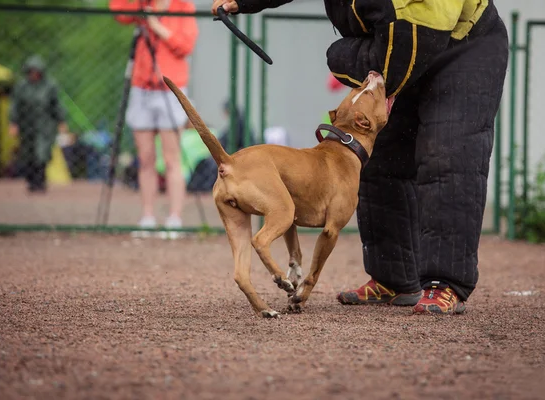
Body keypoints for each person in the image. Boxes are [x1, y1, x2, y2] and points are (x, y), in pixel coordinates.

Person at [211, 0, 509, 314]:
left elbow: (415, 30)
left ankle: (445, 284)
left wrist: (361, 71)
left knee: (447, 156)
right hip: (395, 45)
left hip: (459, 47)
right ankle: (392, 279)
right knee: (379, 160)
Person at [110, 0, 199, 229]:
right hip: (143, 87)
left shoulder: (183, 6)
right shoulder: (142, 5)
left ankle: (175, 218)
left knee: (171, 158)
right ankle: (147, 217)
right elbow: (118, 12)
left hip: (171, 88)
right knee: (146, 158)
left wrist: (156, 26)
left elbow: (185, 46)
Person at [9, 54, 68, 193]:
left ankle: (40, 181)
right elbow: (15, 106)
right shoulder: (22, 87)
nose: (34, 75)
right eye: (31, 72)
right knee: (28, 154)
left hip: (44, 125)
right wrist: (13, 122)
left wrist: (61, 120)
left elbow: (56, 105)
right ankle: (31, 181)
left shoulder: (49, 86)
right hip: (27, 125)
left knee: (41, 153)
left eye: (36, 72)